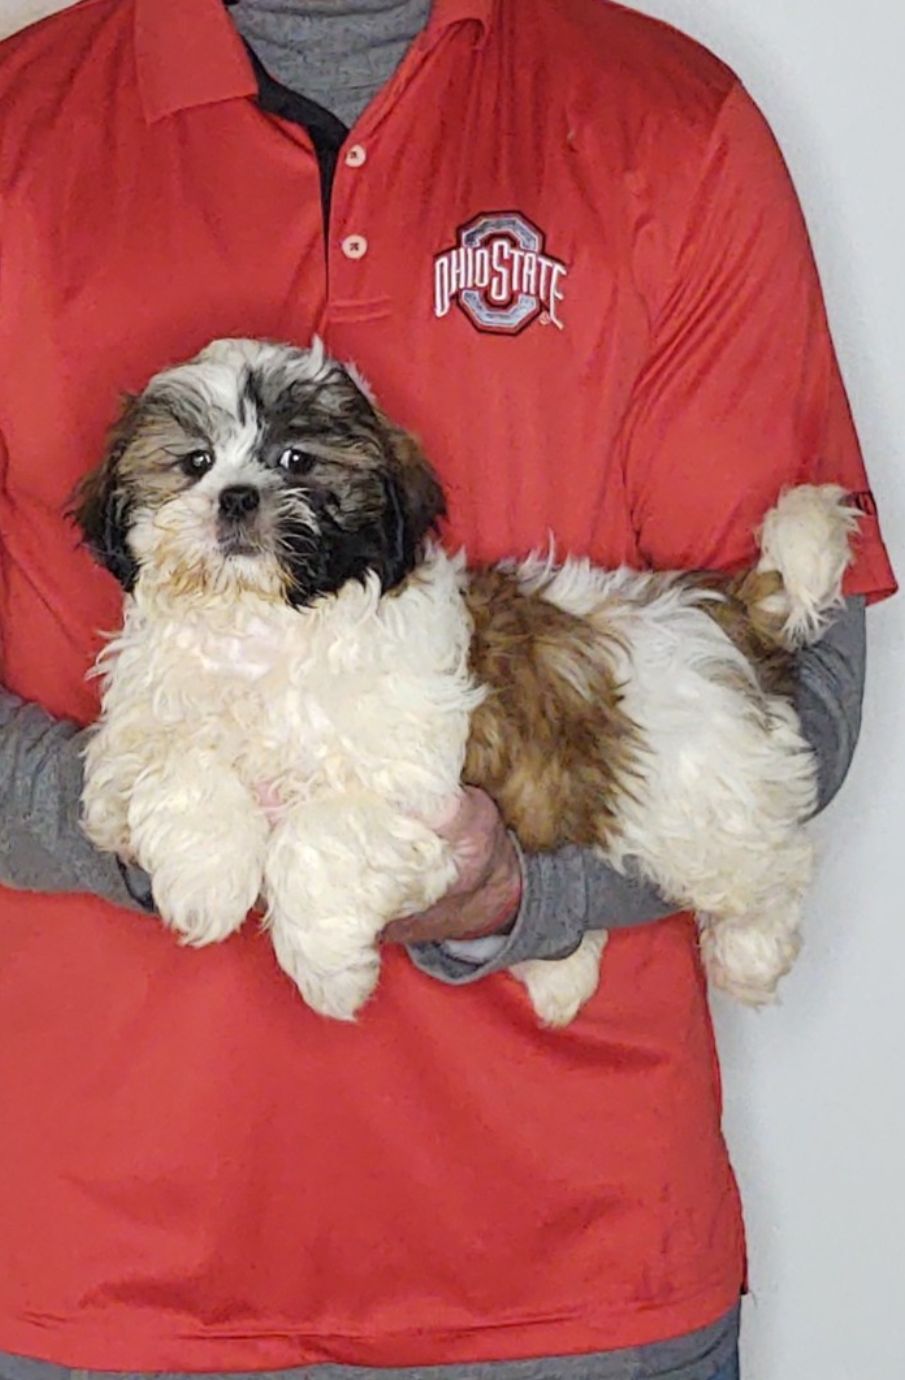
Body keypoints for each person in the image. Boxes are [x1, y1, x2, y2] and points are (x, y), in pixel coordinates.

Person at [0, 2, 895, 1379]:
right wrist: (138, 815)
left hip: (575, 1262)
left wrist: (536, 892)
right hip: (95, 1270)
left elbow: (791, 667)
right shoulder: (19, 125)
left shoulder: (668, 120)